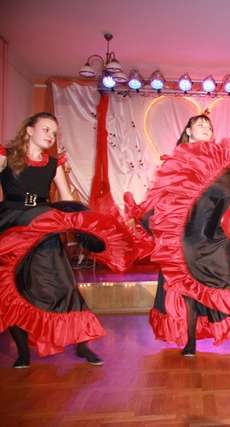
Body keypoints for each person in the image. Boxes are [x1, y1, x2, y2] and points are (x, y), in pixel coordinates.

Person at [1, 112, 132, 369]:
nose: (50, 136)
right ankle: (23, 353)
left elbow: (65, 198)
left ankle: (82, 345)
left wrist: (83, 224)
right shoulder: (6, 155)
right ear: (29, 130)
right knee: (13, 287)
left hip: (43, 227)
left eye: (54, 132)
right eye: (46, 129)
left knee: (63, 285)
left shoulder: (53, 163)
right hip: (12, 226)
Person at [138, 115, 230, 363]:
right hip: (185, 238)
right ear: (188, 131)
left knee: (227, 287)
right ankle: (190, 341)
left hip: (213, 237)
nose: (206, 128)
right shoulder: (178, 160)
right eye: (200, 125)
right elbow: (161, 198)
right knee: (188, 290)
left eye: (209, 126)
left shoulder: (220, 159)